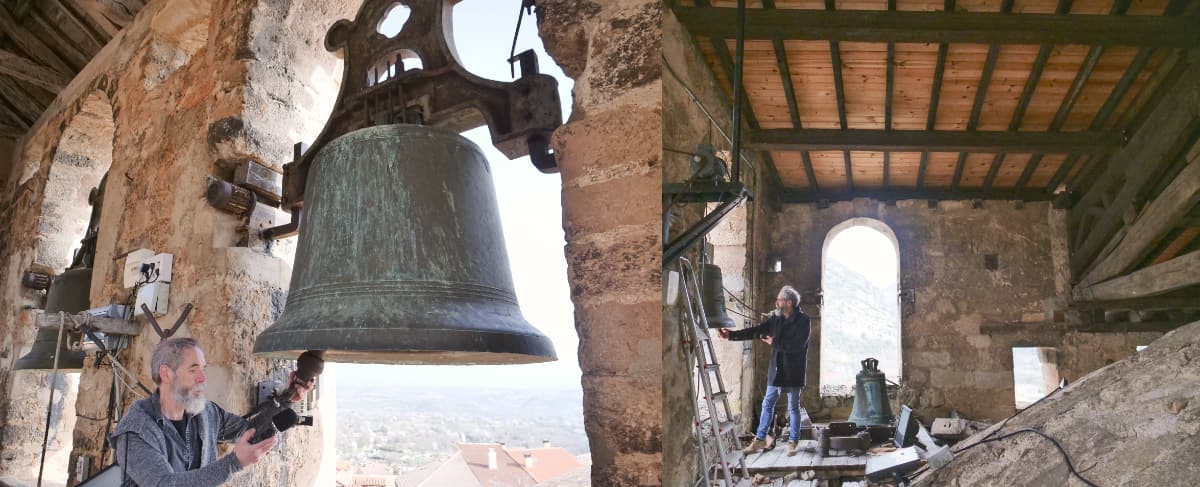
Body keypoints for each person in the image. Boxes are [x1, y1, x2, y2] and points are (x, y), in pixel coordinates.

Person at [110, 337, 313, 486]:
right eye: (193, 369)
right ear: (166, 374)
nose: (203, 378)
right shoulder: (135, 431)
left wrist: (287, 398)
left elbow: (250, 432)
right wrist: (233, 463)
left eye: (203, 369)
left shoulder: (206, 413)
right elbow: (165, 484)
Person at [717, 285, 812, 456]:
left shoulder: (804, 321)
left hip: (793, 372)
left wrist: (773, 343)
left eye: (780, 300)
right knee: (767, 404)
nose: (776, 302)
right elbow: (756, 331)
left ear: (789, 303)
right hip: (776, 371)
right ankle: (760, 440)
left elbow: (798, 345)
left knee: (793, 407)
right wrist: (731, 335)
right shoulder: (776, 319)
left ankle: (793, 442)